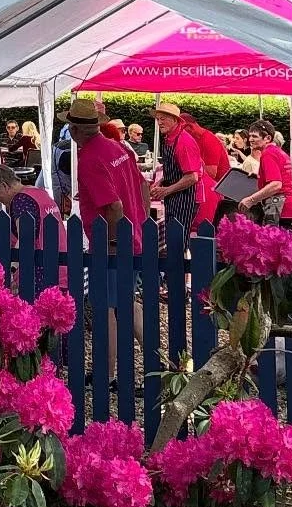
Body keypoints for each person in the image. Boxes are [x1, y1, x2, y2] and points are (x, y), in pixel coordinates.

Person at [68, 96, 145, 375]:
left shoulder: (89, 157)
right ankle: (160, 363)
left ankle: (107, 372)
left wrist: (112, 242)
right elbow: (143, 187)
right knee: (128, 301)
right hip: (133, 236)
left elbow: (113, 206)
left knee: (106, 309)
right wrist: (140, 223)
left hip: (112, 244)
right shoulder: (118, 148)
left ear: (75, 130)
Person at [148, 101, 212, 232]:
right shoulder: (169, 138)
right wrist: (161, 182)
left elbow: (192, 177)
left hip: (187, 197)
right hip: (176, 196)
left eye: (163, 119)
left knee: (179, 238)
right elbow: (176, 169)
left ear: (174, 119)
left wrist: (166, 190)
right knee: (174, 236)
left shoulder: (183, 142)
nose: (159, 123)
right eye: (158, 119)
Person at [0, 163, 62, 251]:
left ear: (4, 186)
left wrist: (13, 264)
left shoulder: (21, 201)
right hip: (60, 257)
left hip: (42, 261)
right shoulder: (40, 193)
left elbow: (25, 240)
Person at [240, 118, 292, 226]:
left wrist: (251, 200)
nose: (250, 139)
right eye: (250, 136)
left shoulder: (267, 154)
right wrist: (259, 177)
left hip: (280, 209)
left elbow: (276, 184)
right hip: (290, 209)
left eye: (254, 136)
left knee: (271, 242)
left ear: (268, 138)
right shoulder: (279, 152)